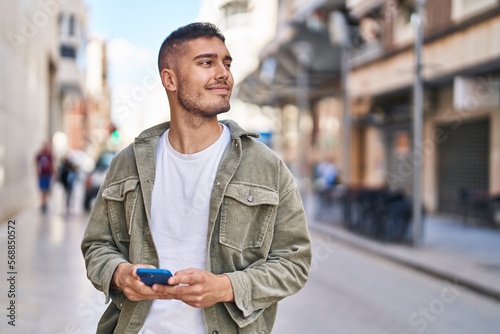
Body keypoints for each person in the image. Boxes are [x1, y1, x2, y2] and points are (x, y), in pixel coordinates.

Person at [81, 22, 312, 334]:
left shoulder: (265, 165)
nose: (223, 73)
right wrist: (120, 273)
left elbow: (294, 263)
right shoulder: (128, 163)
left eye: (226, 63)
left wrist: (227, 287)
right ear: (170, 79)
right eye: (206, 62)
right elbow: (97, 244)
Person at [35, 141, 54, 213]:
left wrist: (53, 172)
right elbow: (36, 163)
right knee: (42, 190)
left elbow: (52, 164)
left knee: (46, 190)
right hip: (42, 175)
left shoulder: (49, 155)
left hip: (47, 175)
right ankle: (42, 203)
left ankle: (45, 203)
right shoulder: (40, 155)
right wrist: (37, 171)